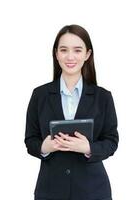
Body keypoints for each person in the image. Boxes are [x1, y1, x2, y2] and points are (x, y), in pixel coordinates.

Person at [24, 24, 119, 200]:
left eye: (77, 50)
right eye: (63, 50)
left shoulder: (103, 97)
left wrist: (88, 148)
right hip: (50, 190)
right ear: (56, 54)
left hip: (93, 191)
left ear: (87, 54)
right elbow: (30, 140)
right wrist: (44, 147)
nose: (70, 57)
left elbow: (111, 141)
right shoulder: (40, 95)